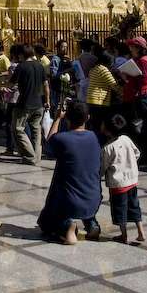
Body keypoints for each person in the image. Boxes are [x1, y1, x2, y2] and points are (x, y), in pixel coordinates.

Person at [38, 100, 102, 244]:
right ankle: (92, 224)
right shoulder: (97, 137)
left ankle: (67, 226)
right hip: (94, 200)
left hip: (69, 202)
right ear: (87, 118)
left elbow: (48, 145)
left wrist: (57, 119)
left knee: (45, 222)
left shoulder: (62, 139)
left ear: (67, 117)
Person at [100, 113, 145, 244]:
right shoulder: (126, 139)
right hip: (132, 180)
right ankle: (141, 231)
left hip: (118, 184)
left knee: (120, 208)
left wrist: (99, 175)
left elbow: (103, 166)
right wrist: (129, 163)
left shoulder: (107, 148)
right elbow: (137, 153)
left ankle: (124, 235)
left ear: (108, 131)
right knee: (134, 205)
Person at [12, 44, 48, 165]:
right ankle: (37, 157)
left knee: (18, 129)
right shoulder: (39, 66)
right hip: (38, 103)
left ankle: (29, 155)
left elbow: (12, 84)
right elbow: (46, 85)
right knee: (36, 131)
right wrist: (47, 101)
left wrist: (1, 86)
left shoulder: (21, 67)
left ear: (21, 54)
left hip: (24, 103)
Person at [119, 36, 147, 140]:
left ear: (139, 48)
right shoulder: (142, 60)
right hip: (139, 95)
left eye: (133, 47)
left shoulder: (143, 61)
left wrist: (128, 76)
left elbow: (145, 80)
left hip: (140, 96)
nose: (131, 49)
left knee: (139, 124)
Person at [86, 48, 124, 137]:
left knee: (94, 126)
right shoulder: (103, 70)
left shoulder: (95, 69)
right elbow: (114, 85)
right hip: (99, 102)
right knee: (99, 127)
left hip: (91, 101)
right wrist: (125, 93)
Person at [49, 39, 74, 108]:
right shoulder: (55, 60)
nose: (65, 49)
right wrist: (66, 70)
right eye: (63, 47)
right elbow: (54, 75)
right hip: (56, 90)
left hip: (64, 91)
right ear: (58, 48)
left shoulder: (65, 60)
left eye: (66, 47)